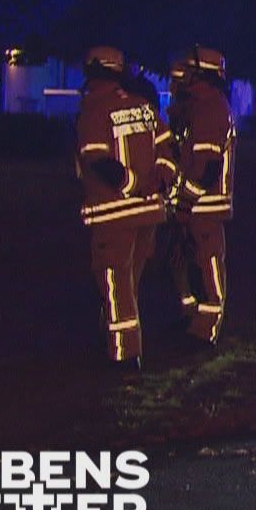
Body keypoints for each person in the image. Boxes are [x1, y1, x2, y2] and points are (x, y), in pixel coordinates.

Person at [75, 47, 176, 367]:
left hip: (114, 213)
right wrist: (157, 183)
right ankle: (116, 340)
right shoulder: (145, 108)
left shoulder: (93, 110)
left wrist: (133, 185)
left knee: (115, 283)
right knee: (129, 283)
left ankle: (124, 355)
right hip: (149, 213)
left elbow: (97, 161)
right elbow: (168, 152)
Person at [167, 47, 236, 345]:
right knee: (185, 264)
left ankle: (205, 332)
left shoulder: (211, 110)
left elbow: (207, 168)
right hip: (195, 207)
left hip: (204, 208)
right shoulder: (201, 108)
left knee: (208, 271)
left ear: (201, 75)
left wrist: (185, 202)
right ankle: (193, 321)